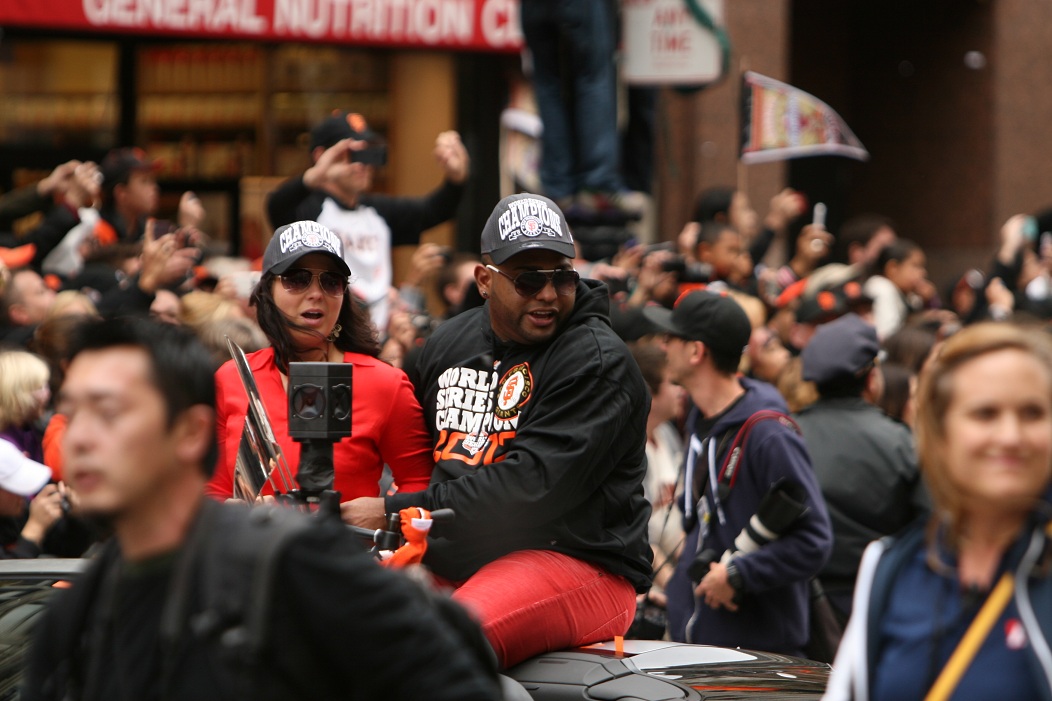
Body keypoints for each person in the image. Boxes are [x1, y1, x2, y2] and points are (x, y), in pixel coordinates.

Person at [22, 316, 501, 701]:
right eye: (71, 412)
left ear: (190, 432)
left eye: (108, 412)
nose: (79, 438)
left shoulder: (292, 562)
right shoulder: (77, 615)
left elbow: (454, 680)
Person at [344, 193, 653, 668]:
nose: (547, 294)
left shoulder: (596, 359)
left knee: (442, 645)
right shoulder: (450, 341)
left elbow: (528, 489)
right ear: (485, 280)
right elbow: (404, 446)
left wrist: (391, 511)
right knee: (338, 630)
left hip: (578, 559)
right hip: (460, 553)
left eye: (561, 277)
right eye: (528, 279)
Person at [823, 322, 1052, 700]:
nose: (1011, 436)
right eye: (985, 414)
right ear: (941, 432)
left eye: (1032, 413)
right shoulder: (889, 567)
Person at [645, 290, 832, 655]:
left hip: (753, 659)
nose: (662, 345)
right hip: (699, 646)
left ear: (696, 352)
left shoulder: (769, 435)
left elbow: (815, 539)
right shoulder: (700, 417)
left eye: (671, 338)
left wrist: (739, 574)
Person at [205, 220, 433, 512]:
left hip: (347, 542)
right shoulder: (232, 378)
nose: (316, 293)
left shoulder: (385, 384)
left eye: (331, 281)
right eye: (297, 279)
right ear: (267, 290)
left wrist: (384, 511)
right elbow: (212, 490)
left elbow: (421, 484)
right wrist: (238, 513)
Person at [266, 111, 470, 332]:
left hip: (378, 333)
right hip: (328, 330)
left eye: (367, 154)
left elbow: (432, 211)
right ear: (321, 156)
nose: (363, 164)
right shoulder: (308, 209)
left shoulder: (376, 211)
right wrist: (317, 175)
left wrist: (456, 179)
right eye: (352, 154)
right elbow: (277, 206)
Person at [795, 313, 928, 619]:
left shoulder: (786, 434)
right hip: (878, 600)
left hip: (796, 604)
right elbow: (928, 527)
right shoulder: (900, 441)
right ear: (872, 378)